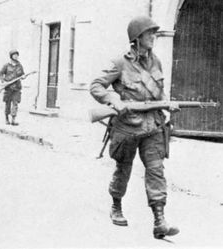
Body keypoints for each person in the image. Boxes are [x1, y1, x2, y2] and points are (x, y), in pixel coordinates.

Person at [90, 16, 180, 239]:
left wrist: (168, 103)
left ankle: (160, 220)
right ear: (137, 38)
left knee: (156, 170)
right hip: (128, 128)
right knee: (124, 169)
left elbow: (158, 93)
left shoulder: (156, 62)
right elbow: (96, 85)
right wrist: (113, 99)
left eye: (154, 33)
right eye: (149, 33)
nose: (153, 37)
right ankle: (116, 206)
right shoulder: (120, 63)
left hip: (153, 127)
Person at [0, 50, 25, 125]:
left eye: (17, 55)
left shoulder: (19, 65)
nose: (16, 56)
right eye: (14, 55)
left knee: (15, 103)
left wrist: (23, 76)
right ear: (11, 56)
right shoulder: (6, 65)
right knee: (8, 103)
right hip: (8, 87)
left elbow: (22, 74)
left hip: (17, 87)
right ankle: (6, 119)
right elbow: (0, 73)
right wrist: (3, 81)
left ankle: (13, 120)